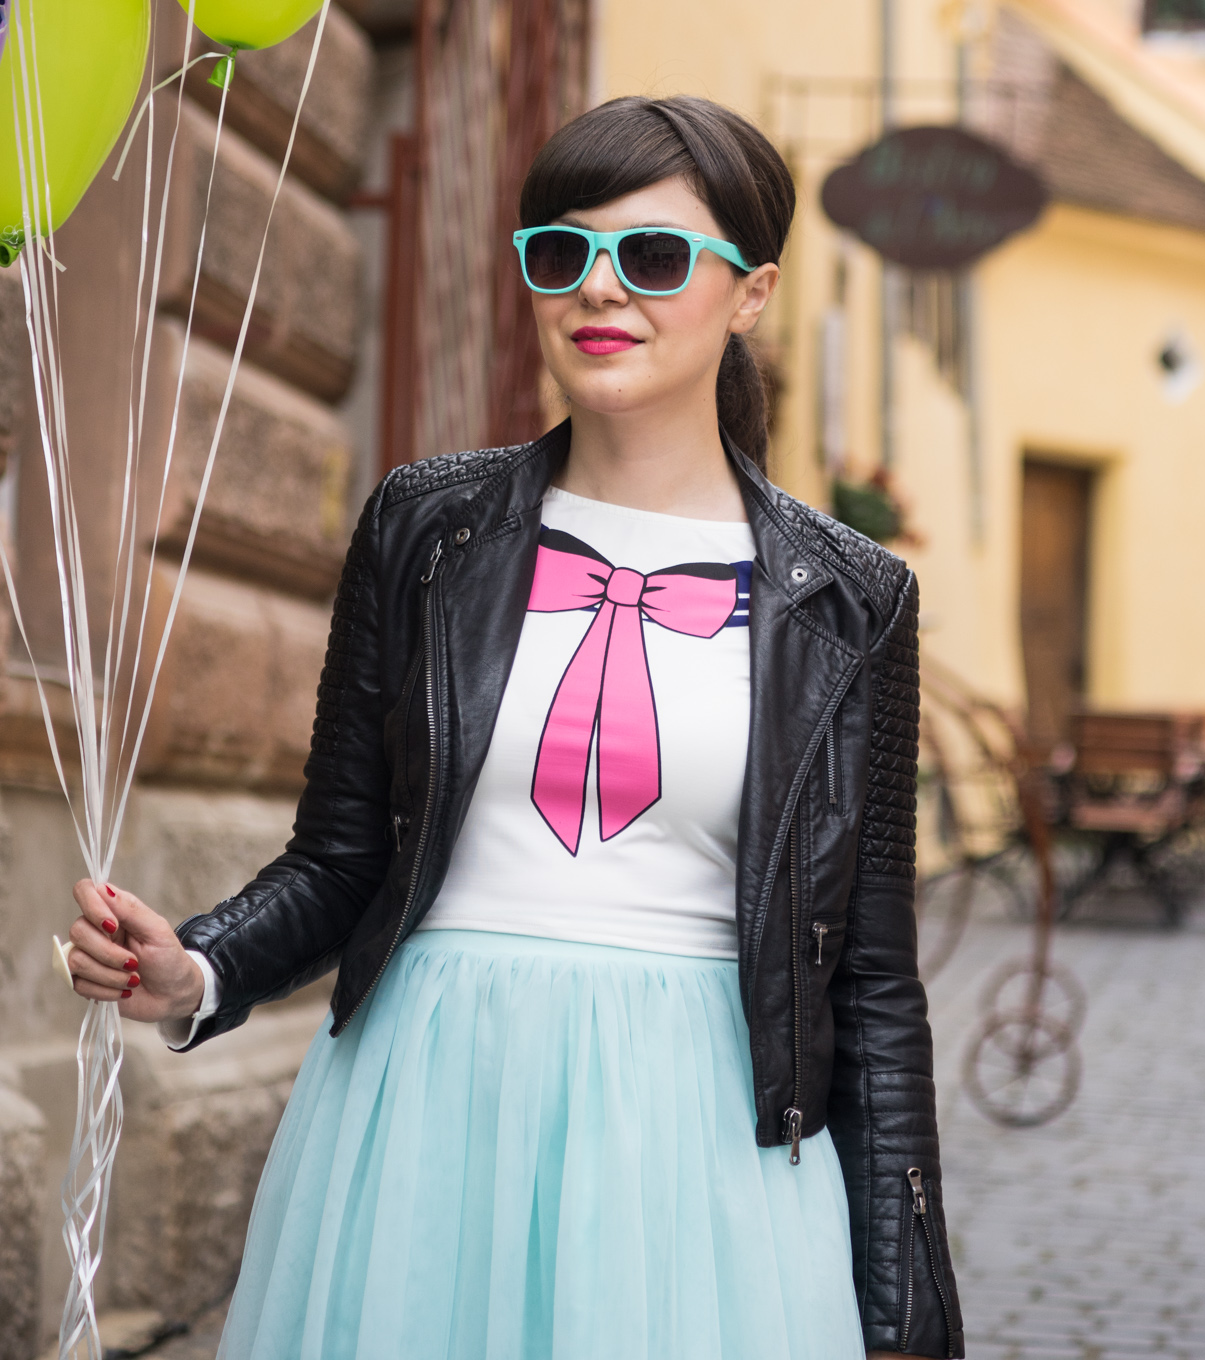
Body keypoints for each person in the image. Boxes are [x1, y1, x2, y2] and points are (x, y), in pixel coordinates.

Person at [67, 95, 963, 1360]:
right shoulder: (424, 529)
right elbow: (339, 857)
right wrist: (198, 966)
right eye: (562, 251)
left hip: (701, 1135)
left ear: (751, 293)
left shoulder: (853, 595)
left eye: (653, 257)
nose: (600, 290)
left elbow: (870, 976)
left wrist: (904, 1306)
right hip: (423, 1105)